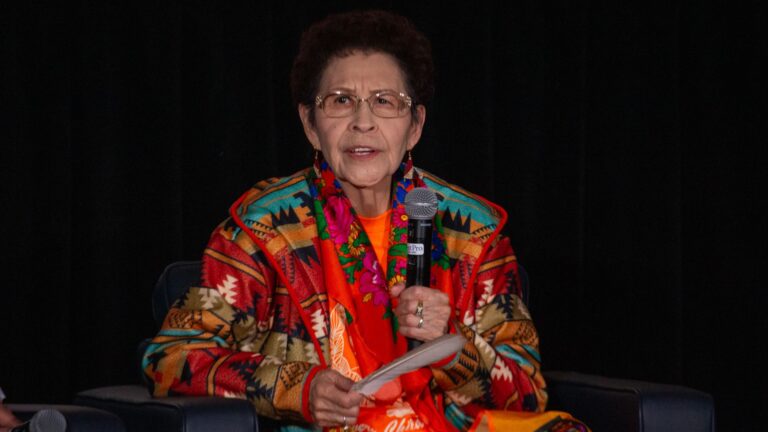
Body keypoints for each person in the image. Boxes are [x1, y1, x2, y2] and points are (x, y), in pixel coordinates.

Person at [144, 10, 551, 431]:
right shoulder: (264, 227)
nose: (362, 122)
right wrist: (298, 388)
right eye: (340, 100)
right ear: (311, 125)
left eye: (384, 101)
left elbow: (526, 389)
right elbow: (173, 360)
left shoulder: (471, 229)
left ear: (415, 127)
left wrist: (451, 347)